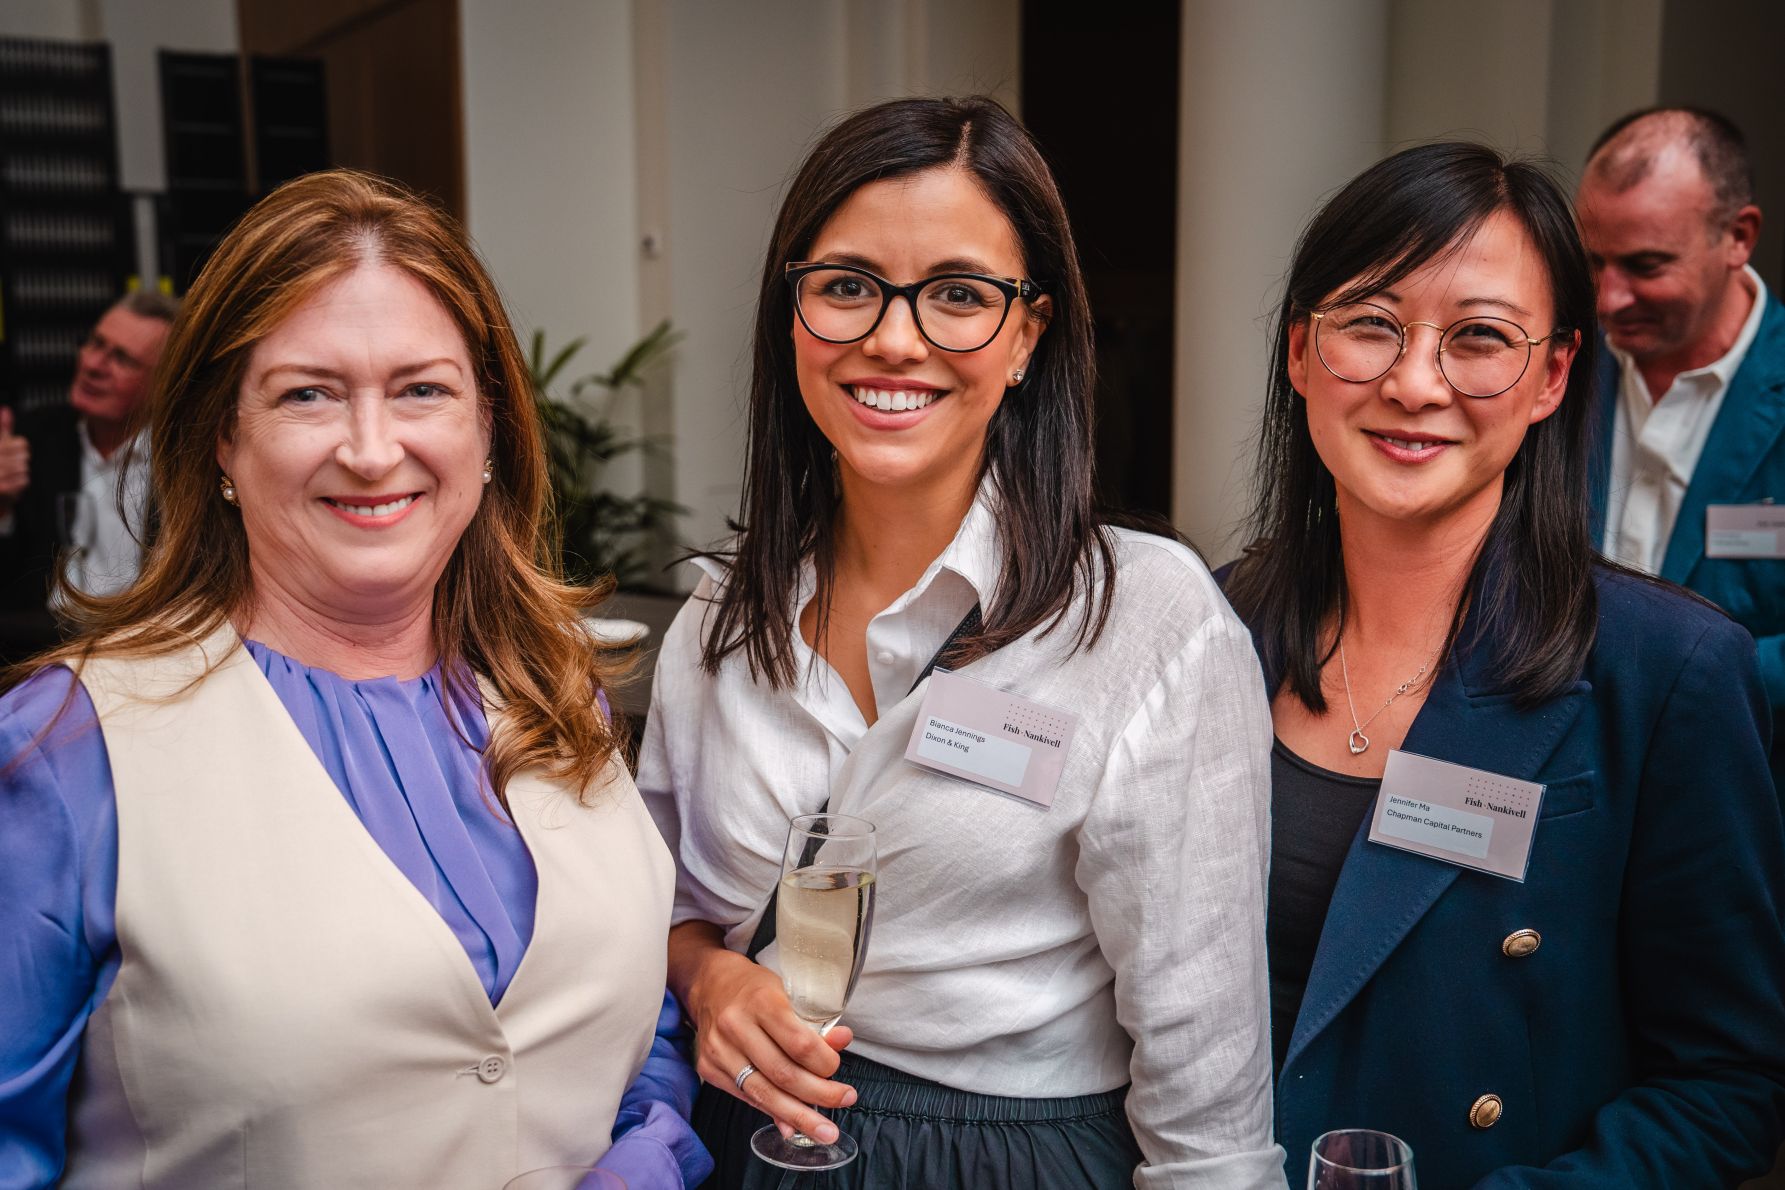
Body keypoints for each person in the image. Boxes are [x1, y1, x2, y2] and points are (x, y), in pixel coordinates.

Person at [0, 170, 709, 1189]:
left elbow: (639, 1023)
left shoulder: (560, 696)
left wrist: (642, 1161)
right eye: (307, 393)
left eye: (422, 388)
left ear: (489, 429)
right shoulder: (65, 749)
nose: (374, 450)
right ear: (221, 441)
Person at [639, 96, 1284, 1189]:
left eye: (957, 295)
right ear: (791, 314)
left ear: (1029, 333)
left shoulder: (1148, 620)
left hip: (1004, 1161)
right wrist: (708, 981)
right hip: (746, 1142)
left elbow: (1209, 1104)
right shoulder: (716, 618)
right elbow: (656, 908)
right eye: (846, 286)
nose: (895, 337)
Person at [1222, 141, 1785, 1186]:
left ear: (1552, 376)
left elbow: (1729, 1084)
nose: (1414, 380)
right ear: (1300, 352)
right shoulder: (1202, 630)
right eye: (1370, 324)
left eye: (1479, 337)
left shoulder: (1669, 671)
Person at [1576, 107, 1785, 787]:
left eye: (1644, 266)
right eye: (1593, 262)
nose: (1607, 300)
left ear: (1737, 237)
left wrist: (1679, 685)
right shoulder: (1556, 371)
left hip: (1742, 792)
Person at [0, 291, 176, 659]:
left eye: (122, 359)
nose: (94, 365)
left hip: (145, 650)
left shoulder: (183, 459)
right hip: (41, 649)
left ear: (163, 384)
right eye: (95, 344)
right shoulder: (30, 438)